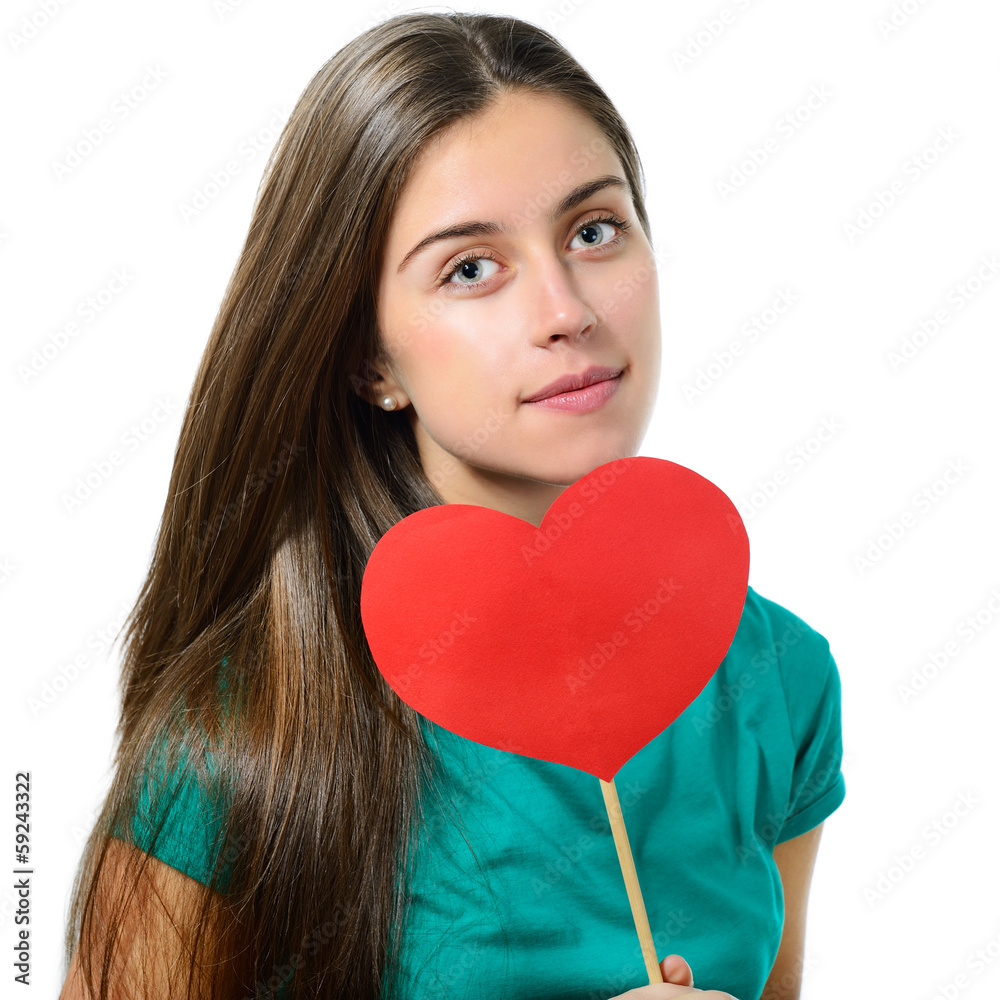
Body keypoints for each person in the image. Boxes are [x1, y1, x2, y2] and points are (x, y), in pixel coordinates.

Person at [59, 11, 845, 1000]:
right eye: (471, 268)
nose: (566, 311)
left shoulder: (780, 678)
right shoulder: (246, 734)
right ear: (369, 359)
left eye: (594, 231)